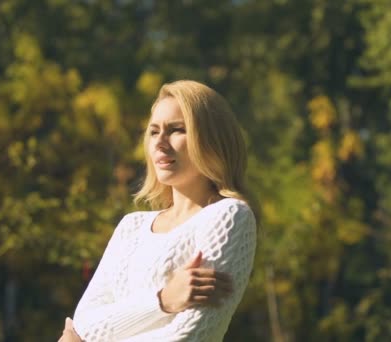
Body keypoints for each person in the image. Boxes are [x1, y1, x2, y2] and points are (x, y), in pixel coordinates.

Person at [58, 80, 258, 341]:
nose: (160, 143)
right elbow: (84, 323)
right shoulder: (132, 226)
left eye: (176, 130)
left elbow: (189, 336)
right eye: (154, 132)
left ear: (212, 140)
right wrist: (163, 300)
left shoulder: (230, 216)